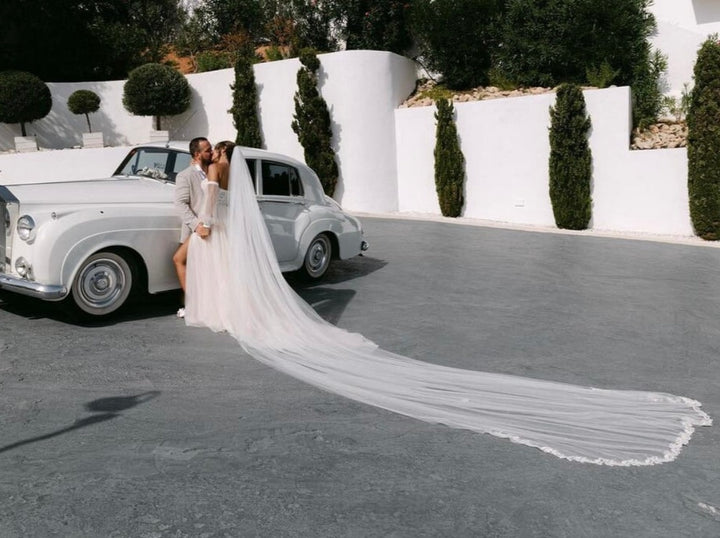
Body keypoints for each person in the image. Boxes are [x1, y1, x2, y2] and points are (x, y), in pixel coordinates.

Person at [182, 149, 711, 466]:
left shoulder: (214, 182)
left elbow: (208, 216)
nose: (216, 160)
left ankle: (226, 312)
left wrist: (204, 213)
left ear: (221, 159)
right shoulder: (231, 182)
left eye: (218, 156)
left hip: (216, 241)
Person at [184, 141, 235, 330]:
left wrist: (204, 224)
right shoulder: (234, 171)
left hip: (213, 224)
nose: (212, 152)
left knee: (210, 268)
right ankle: (229, 310)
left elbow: (212, 196)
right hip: (226, 223)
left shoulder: (215, 167)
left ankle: (215, 313)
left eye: (215, 149)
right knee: (224, 268)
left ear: (222, 151)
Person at [172, 137, 213, 318]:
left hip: (215, 229)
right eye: (207, 150)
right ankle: (195, 305)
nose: (211, 153)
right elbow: (180, 204)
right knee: (189, 267)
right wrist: (197, 226)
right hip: (196, 231)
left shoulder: (213, 171)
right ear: (197, 154)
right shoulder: (186, 175)